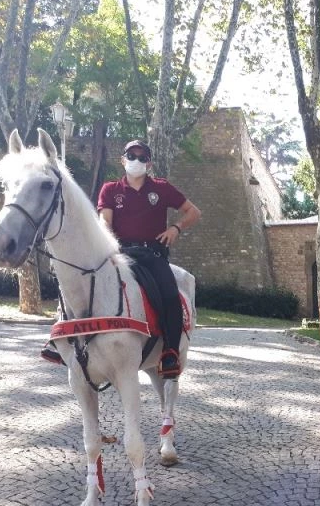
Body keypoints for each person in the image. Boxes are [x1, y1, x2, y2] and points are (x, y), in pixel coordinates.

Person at [42, 140, 201, 379]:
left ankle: (169, 351)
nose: (136, 161)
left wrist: (175, 228)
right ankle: (59, 339)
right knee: (81, 281)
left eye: (142, 157)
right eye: (132, 155)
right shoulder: (110, 190)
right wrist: (108, 243)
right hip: (120, 252)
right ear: (123, 159)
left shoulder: (161, 188)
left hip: (152, 254)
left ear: (149, 162)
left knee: (169, 294)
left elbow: (193, 212)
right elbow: (105, 221)